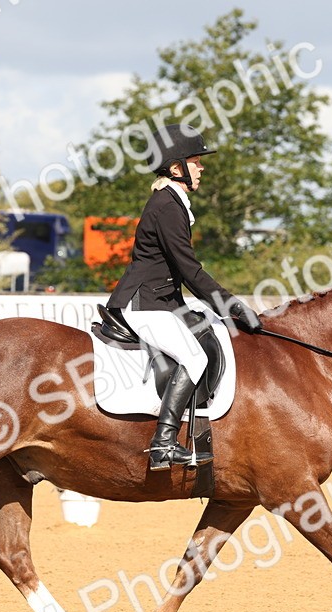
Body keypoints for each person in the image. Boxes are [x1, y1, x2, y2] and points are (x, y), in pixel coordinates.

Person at [106, 124, 263, 471]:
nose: (202, 167)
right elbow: (190, 270)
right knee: (194, 359)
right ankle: (163, 443)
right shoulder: (167, 206)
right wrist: (231, 305)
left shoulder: (173, 202)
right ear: (176, 168)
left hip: (161, 299)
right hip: (144, 302)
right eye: (196, 161)